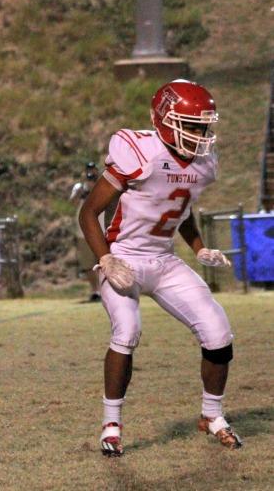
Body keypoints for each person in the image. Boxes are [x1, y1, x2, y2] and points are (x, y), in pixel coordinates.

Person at [79, 80, 242, 457]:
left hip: (164, 260)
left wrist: (199, 248)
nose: (202, 135)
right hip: (123, 255)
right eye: (193, 125)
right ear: (166, 119)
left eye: (204, 126)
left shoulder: (202, 163)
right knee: (128, 329)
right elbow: (89, 212)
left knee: (218, 332)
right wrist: (106, 258)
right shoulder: (140, 151)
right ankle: (111, 425)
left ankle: (212, 416)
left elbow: (179, 208)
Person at [70, 161, 102, 301]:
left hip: (100, 228)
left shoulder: (103, 184)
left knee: (102, 262)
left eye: (93, 170)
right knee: (88, 263)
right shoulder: (79, 187)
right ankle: (95, 291)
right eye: (88, 170)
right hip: (83, 230)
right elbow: (73, 203)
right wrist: (81, 192)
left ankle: (105, 290)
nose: (91, 173)